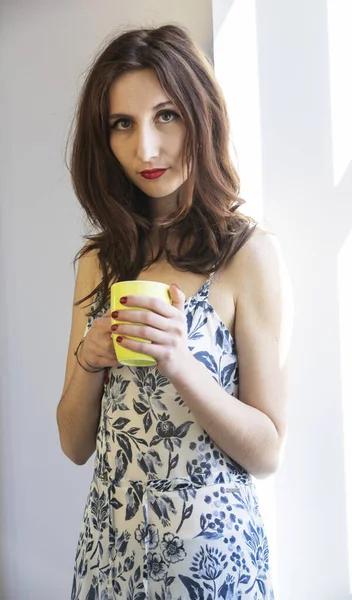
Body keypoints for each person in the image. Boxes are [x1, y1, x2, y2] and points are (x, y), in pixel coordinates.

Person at [57, 23, 293, 600]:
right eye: (123, 124)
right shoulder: (100, 261)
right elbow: (74, 444)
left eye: (167, 116)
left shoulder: (249, 255)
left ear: (201, 116)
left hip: (213, 566)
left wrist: (180, 362)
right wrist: (90, 360)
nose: (146, 149)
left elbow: (267, 452)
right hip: (108, 558)